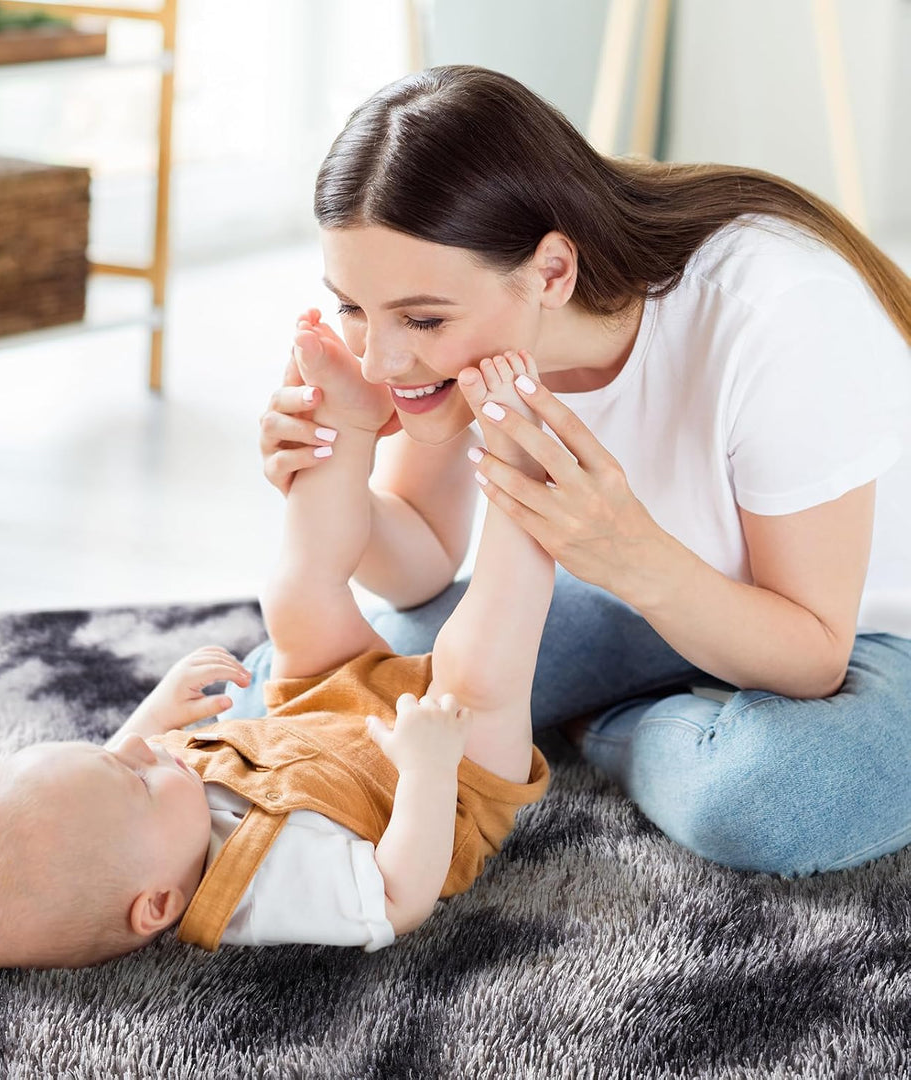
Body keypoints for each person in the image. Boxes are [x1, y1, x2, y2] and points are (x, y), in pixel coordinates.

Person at [245, 64, 911, 879]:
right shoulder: (471, 335)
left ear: (553, 272)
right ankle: (614, 700)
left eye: (421, 318)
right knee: (330, 688)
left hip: (864, 633)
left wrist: (628, 556)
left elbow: (813, 657)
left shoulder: (776, 313)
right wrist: (337, 459)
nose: (381, 358)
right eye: (352, 306)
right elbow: (417, 560)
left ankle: (608, 724)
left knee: (764, 799)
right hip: (640, 592)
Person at [0, 349, 551, 968]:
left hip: (313, 712)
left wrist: (160, 705)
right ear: (157, 906)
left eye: (109, 752)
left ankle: (350, 422)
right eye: (135, 777)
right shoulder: (261, 893)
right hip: (444, 780)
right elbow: (399, 896)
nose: (140, 747)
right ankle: (522, 465)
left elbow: (121, 757)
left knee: (294, 602)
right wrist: (429, 772)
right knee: (477, 664)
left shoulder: (139, 823)